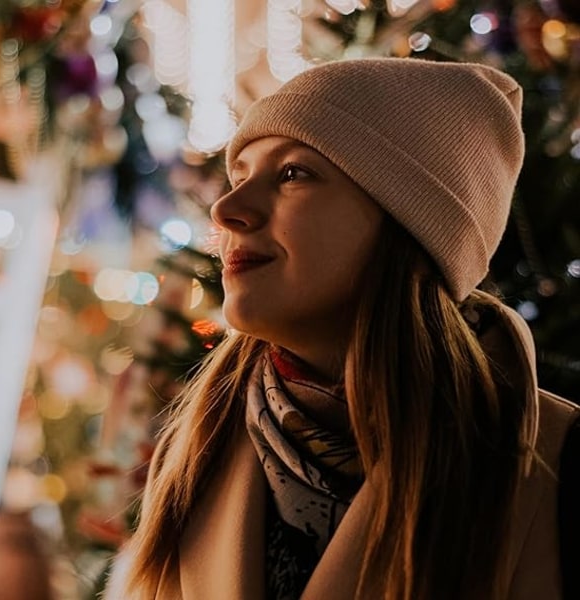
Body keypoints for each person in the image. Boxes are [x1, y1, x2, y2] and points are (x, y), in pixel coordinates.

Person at [107, 58, 580, 599]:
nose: (228, 208)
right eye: (240, 176)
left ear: (408, 227)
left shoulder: (556, 467)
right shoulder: (197, 451)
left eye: (293, 174)